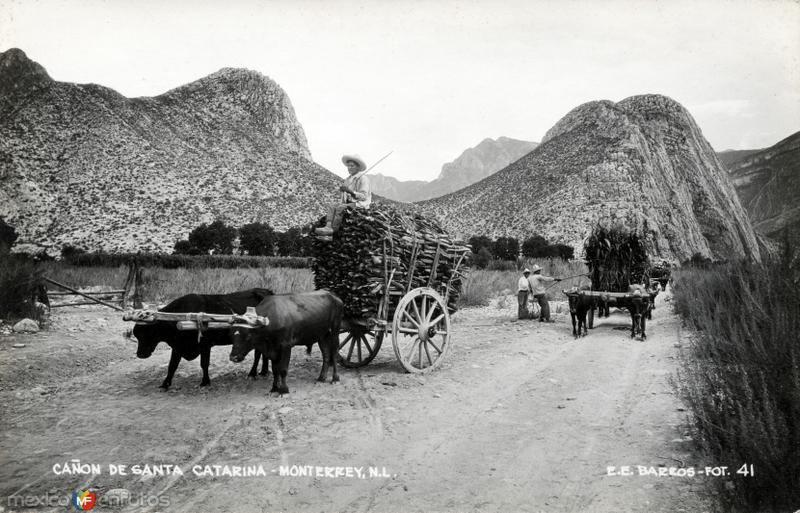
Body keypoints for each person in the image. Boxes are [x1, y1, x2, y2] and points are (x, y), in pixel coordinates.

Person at [314, 154, 372, 237]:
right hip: (349, 202)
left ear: (358, 167)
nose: (349, 168)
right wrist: (343, 192)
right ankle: (328, 226)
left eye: (352, 166)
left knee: (340, 208)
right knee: (332, 205)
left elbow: (364, 196)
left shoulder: (363, 178)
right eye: (348, 166)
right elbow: (345, 195)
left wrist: (350, 192)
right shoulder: (348, 179)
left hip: (360, 204)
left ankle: (333, 230)